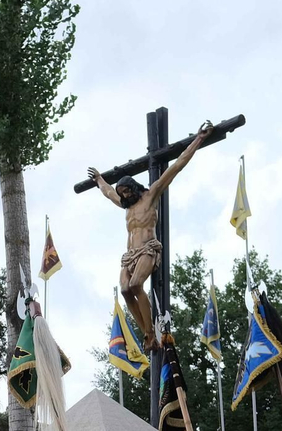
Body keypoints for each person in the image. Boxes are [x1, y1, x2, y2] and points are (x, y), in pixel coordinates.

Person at [87, 120, 213, 340]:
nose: (125, 196)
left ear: (134, 187)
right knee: (125, 290)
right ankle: (147, 331)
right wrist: (99, 179)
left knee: (136, 284)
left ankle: (150, 332)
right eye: (122, 193)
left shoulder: (150, 196)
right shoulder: (126, 205)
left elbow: (176, 166)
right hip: (130, 255)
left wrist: (199, 139)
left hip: (147, 249)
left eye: (127, 191)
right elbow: (107, 192)